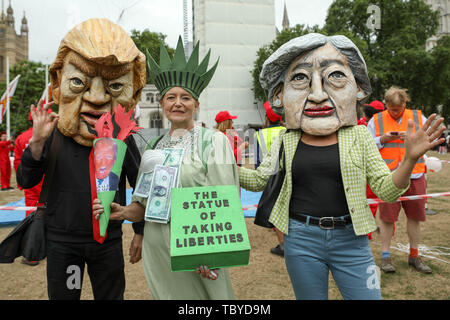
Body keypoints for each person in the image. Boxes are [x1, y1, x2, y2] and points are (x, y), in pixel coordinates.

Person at [238, 33, 445, 300]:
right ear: (279, 96)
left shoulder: (359, 136)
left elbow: (386, 190)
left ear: (357, 88)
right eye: (300, 78)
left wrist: (409, 160)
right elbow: (259, 181)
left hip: (352, 240)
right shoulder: (285, 140)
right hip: (300, 240)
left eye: (335, 76)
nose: (317, 94)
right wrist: (217, 169)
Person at [93, 37, 240, 299]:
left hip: (197, 248)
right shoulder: (154, 146)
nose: (178, 103)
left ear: (196, 104)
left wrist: (213, 254)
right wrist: (124, 211)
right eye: (171, 97)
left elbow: (226, 201)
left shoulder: (214, 142)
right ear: (162, 104)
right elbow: (144, 204)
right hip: (158, 248)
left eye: (185, 97)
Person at [16, 18, 146, 300]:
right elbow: (25, 180)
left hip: (107, 241)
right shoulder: (52, 134)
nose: (97, 97)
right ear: (58, 84)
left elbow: (141, 186)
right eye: (78, 82)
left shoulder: (123, 138)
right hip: (63, 243)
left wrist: (139, 230)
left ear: (133, 92)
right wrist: (37, 141)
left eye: (114, 86)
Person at [367, 86, 433, 274]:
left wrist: (414, 140)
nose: (393, 112)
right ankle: (386, 256)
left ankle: (414, 255)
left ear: (405, 103)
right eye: (389, 108)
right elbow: (367, 144)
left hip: (416, 174)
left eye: (396, 108)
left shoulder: (418, 117)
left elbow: (428, 139)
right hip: (389, 177)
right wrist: (382, 139)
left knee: (415, 217)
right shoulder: (376, 120)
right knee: (387, 219)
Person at [13, 107, 53, 267]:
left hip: (30, 182)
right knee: (53, 213)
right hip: (50, 182)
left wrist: (21, 182)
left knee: (32, 214)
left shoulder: (21, 138)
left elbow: (17, 161)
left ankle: (33, 253)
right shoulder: (54, 135)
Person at [255, 101, 285, 257]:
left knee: (275, 210)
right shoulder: (287, 131)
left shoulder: (259, 134)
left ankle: (283, 246)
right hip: (286, 175)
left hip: (270, 176)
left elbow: (258, 161)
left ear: (266, 118)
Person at [358, 100, 386, 240]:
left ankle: (368, 230)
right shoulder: (380, 127)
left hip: (362, 167)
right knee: (375, 200)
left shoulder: (359, 123)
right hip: (374, 166)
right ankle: (369, 230)